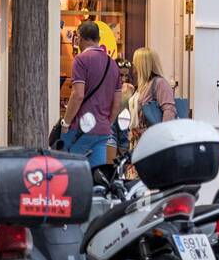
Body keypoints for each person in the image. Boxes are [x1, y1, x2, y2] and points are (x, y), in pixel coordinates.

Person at [61, 20, 124, 168]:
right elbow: (117, 102)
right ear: (98, 39)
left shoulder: (81, 60)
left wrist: (66, 123)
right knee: (96, 174)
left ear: (80, 38)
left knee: (67, 170)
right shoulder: (112, 63)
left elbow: (78, 95)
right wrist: (107, 122)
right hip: (102, 130)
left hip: (81, 128)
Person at [127, 48, 177, 148]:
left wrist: (161, 136)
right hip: (140, 141)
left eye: (135, 63)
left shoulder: (159, 83)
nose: (133, 67)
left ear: (142, 65)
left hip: (152, 142)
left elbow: (169, 110)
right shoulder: (143, 85)